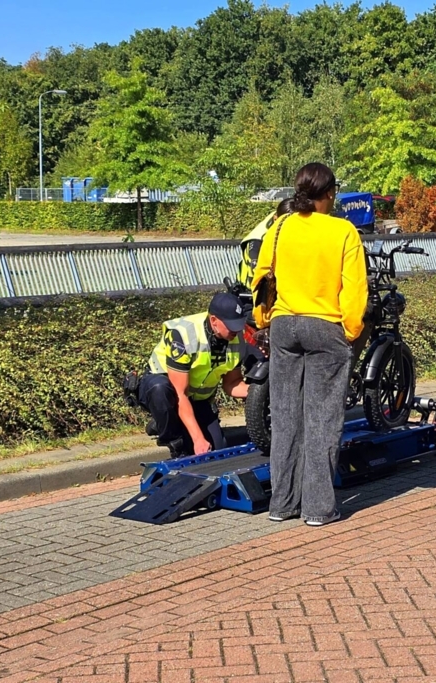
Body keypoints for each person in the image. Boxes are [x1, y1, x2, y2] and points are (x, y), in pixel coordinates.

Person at [251, 162, 368, 527]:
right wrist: (350, 330)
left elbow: (260, 276)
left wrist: (263, 319)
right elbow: (355, 289)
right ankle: (318, 509)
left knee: (285, 415)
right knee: (322, 419)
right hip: (324, 327)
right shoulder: (343, 231)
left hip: (284, 325)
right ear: (330, 193)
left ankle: (282, 503)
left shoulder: (280, 226)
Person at [136, 292, 250, 457]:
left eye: (239, 324)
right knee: (160, 389)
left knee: (218, 450)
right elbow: (180, 394)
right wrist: (198, 439)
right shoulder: (183, 335)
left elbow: (232, 383)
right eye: (231, 325)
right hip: (167, 393)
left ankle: (170, 423)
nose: (237, 330)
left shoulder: (236, 339)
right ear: (214, 321)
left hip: (197, 400)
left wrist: (257, 391)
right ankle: (174, 440)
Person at [237, 198, 297, 291]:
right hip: (250, 294)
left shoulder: (284, 215)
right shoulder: (257, 243)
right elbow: (260, 279)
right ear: (276, 219)